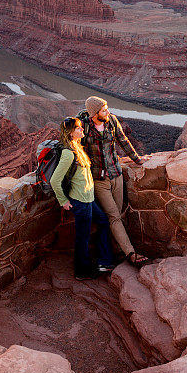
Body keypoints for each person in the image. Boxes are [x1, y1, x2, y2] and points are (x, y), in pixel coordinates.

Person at [78, 96, 150, 267]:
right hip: (98, 179)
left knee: (118, 214)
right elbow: (76, 149)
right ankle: (131, 253)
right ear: (95, 113)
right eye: (104, 110)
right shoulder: (84, 127)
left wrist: (138, 160)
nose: (108, 112)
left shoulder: (111, 121)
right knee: (114, 216)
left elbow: (123, 140)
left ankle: (115, 252)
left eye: (107, 108)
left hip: (116, 174)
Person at [50, 117, 114, 280]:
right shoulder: (68, 153)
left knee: (103, 222)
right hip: (80, 201)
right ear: (71, 133)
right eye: (78, 129)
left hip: (89, 199)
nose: (82, 130)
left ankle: (104, 261)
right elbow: (55, 180)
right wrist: (63, 201)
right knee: (82, 237)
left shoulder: (77, 147)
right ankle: (82, 271)